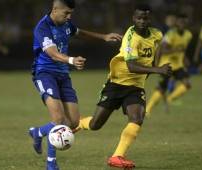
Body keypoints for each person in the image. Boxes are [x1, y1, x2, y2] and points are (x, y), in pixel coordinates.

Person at [27, 0, 122, 169]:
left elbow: (80, 33)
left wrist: (104, 36)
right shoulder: (42, 27)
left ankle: (38, 132)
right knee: (58, 119)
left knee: (73, 122)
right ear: (55, 10)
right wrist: (71, 60)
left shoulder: (66, 23)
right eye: (66, 13)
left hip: (63, 75)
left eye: (71, 14)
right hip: (45, 74)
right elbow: (52, 53)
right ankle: (51, 163)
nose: (69, 17)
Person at [77, 4, 172, 169]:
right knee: (95, 125)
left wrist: (155, 67)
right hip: (116, 83)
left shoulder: (157, 34)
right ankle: (78, 124)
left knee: (137, 118)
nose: (142, 21)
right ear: (133, 19)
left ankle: (117, 156)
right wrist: (158, 70)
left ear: (150, 19)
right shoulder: (131, 36)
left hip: (135, 86)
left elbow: (154, 54)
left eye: (145, 18)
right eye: (139, 18)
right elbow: (131, 66)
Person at [146, 14, 192, 115]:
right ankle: (148, 109)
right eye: (180, 22)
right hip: (166, 65)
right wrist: (157, 65)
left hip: (178, 65)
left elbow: (182, 50)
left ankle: (171, 98)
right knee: (161, 89)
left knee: (187, 84)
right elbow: (162, 50)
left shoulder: (188, 35)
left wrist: (185, 59)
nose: (182, 24)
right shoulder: (171, 34)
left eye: (184, 22)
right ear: (177, 24)